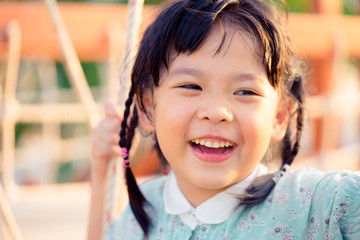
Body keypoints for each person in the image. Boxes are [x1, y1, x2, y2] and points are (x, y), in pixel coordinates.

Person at [88, 0, 360, 239]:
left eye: (245, 91)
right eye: (191, 86)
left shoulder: (314, 206)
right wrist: (103, 172)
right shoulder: (140, 214)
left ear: (279, 117)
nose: (217, 111)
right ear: (148, 108)